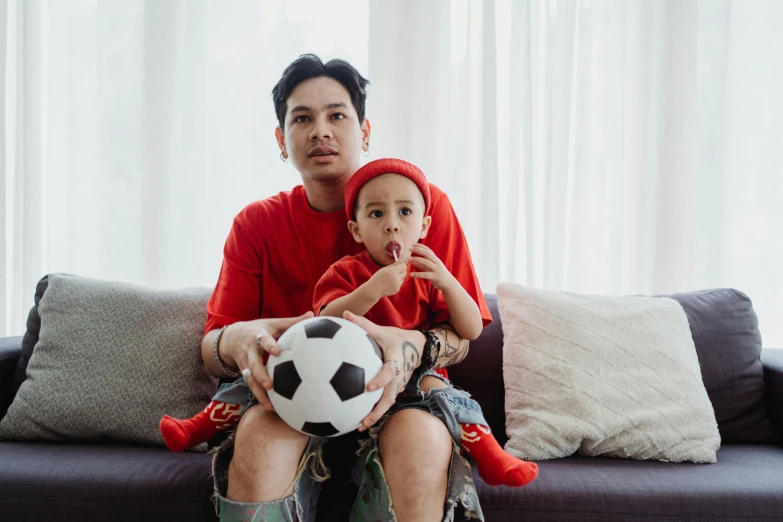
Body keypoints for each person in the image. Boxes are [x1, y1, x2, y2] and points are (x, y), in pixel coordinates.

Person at [196, 54, 494, 522]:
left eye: (337, 115)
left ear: (365, 130)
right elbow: (212, 346)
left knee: (424, 442)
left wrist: (416, 344)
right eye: (302, 118)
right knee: (258, 439)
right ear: (281, 139)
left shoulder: (422, 207)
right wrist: (241, 341)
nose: (320, 130)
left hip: (402, 398)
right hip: (288, 401)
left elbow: (465, 334)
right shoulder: (256, 224)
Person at [160, 159, 539, 493]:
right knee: (259, 381)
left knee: (447, 395)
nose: (392, 225)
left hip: (408, 373)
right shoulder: (347, 270)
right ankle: (197, 427)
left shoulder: (428, 271)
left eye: (404, 213)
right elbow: (327, 316)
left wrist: (448, 282)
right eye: (377, 215)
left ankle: (491, 455)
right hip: (337, 369)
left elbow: (471, 329)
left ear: (425, 225)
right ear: (356, 230)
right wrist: (373, 289)